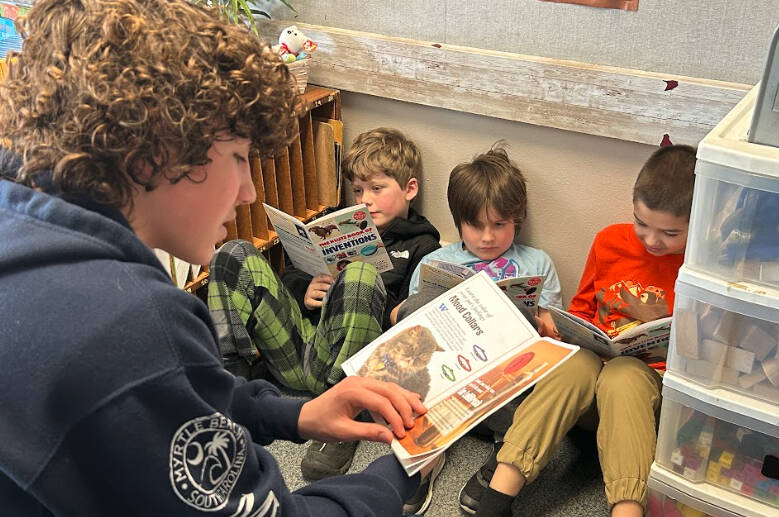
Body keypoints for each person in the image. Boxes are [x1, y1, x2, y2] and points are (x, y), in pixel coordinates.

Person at [0, 1, 438, 515]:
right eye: (238, 158)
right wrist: (400, 471)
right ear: (160, 151)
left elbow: (185, 392)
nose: (249, 191)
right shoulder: (138, 322)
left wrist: (295, 415)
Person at [207, 127, 442, 508]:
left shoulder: (421, 245)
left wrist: (359, 290)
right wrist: (305, 290)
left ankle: (342, 419)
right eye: (357, 190)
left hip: (352, 370)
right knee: (232, 254)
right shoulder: (333, 223)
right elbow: (288, 277)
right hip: (298, 349)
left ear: (409, 189)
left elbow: (407, 329)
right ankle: (230, 391)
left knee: (361, 274)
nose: (365, 201)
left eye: (377, 188)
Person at [461, 144, 697, 517]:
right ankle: (497, 500)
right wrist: (560, 328)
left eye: (669, 233)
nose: (652, 240)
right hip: (585, 390)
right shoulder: (610, 241)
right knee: (576, 364)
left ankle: (627, 511)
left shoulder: (697, 268)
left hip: (644, 400)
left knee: (623, 374)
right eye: (641, 223)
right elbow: (581, 310)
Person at [403, 144, 563, 333]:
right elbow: (410, 318)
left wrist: (538, 325)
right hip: (453, 339)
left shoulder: (537, 263)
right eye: (476, 226)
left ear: (517, 219)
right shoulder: (433, 263)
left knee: (516, 308)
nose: (487, 237)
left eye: (499, 224)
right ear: (460, 222)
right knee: (417, 304)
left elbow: (553, 331)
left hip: (512, 342)